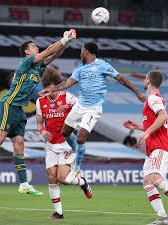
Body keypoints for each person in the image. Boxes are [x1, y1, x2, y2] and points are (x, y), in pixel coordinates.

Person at [0, 29, 77, 196]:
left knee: (19, 144)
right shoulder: (26, 62)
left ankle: (23, 184)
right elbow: (48, 51)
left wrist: (67, 43)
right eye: (34, 46)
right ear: (27, 52)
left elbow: (53, 54)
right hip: (9, 104)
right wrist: (64, 39)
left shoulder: (36, 68)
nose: (37, 48)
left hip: (19, 110)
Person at [39, 42, 146, 183]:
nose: (80, 53)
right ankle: (78, 151)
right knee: (65, 132)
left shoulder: (102, 65)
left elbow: (121, 78)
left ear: (85, 52)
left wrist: (137, 92)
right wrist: (50, 90)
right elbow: (66, 84)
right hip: (80, 105)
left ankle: (76, 166)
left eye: (81, 51)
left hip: (93, 108)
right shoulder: (80, 69)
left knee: (81, 138)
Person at [36, 67, 92, 220]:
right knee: (52, 177)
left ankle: (82, 182)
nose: (51, 91)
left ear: (58, 85)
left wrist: (67, 107)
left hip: (66, 144)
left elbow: (83, 109)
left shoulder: (68, 97)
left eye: (54, 87)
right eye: (48, 88)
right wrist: (42, 132)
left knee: (62, 178)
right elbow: (40, 124)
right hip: (50, 145)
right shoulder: (40, 102)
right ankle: (58, 213)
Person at [124, 70, 168, 225]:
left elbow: (163, 116)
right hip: (152, 148)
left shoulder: (153, 98)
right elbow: (158, 123)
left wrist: (147, 133)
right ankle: (163, 217)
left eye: (144, 78)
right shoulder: (153, 99)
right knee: (148, 182)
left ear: (148, 80)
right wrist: (139, 127)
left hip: (159, 146)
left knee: (156, 179)